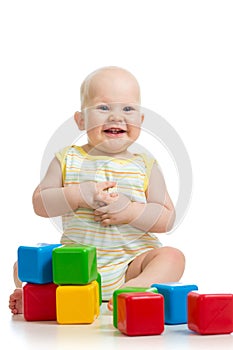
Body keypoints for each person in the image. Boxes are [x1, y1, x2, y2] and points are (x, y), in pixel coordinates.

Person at [9, 66, 185, 314]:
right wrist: (80, 194)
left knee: (172, 257)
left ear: (141, 120)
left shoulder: (146, 165)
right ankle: (44, 298)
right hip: (76, 263)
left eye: (128, 108)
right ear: (81, 120)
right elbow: (40, 203)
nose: (116, 117)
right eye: (103, 108)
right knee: (23, 265)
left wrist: (130, 211)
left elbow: (166, 218)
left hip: (130, 264)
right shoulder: (67, 159)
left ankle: (136, 288)